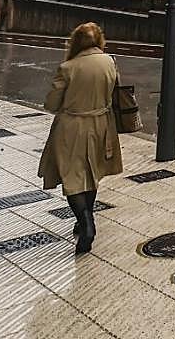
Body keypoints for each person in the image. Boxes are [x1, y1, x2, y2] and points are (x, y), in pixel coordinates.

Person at [38, 22, 122, 254]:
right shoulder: (109, 62)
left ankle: (85, 222)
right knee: (91, 172)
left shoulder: (68, 67)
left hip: (72, 127)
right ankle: (86, 218)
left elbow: (52, 103)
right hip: (101, 125)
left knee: (72, 177)